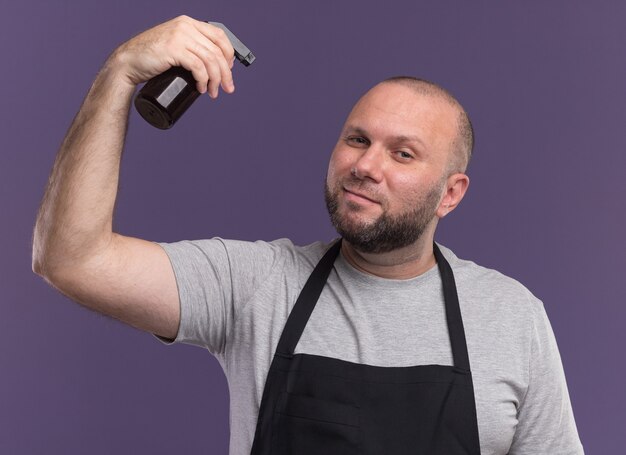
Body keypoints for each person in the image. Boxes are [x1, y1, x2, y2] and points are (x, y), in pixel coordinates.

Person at [31, 15, 584, 455]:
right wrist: (120, 73)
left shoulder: (512, 317)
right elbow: (71, 259)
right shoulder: (256, 285)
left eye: (403, 153)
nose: (366, 165)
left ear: (451, 193)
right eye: (357, 139)